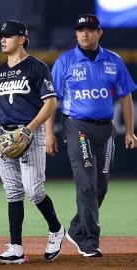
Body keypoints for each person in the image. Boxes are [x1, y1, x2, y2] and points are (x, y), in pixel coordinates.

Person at [50, 14, 137, 257]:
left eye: (90, 29)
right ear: (76, 34)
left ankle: (77, 228)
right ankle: (89, 241)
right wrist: (49, 134)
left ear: (100, 33)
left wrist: (130, 130)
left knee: (101, 186)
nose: (84, 33)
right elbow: (51, 100)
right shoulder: (65, 61)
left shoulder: (114, 60)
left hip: (106, 129)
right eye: (80, 30)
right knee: (86, 184)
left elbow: (126, 95)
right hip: (77, 126)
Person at [0, 20, 65, 264]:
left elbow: (51, 103)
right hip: (4, 138)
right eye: (1, 35)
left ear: (22, 38)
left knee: (34, 191)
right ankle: (16, 247)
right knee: (13, 193)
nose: (2, 39)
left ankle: (56, 229)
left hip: (30, 133)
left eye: (8, 35)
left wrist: (31, 129)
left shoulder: (36, 67)